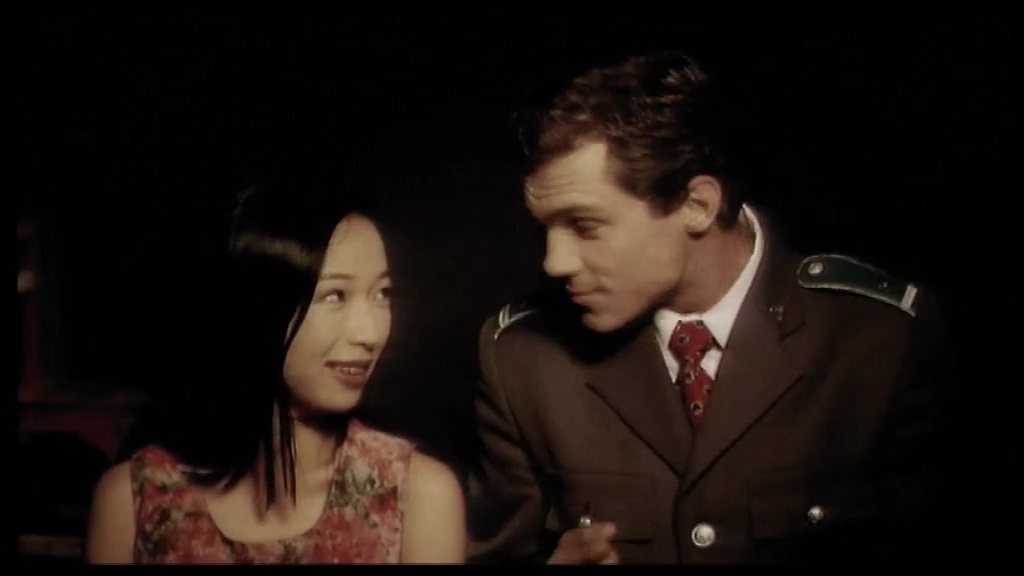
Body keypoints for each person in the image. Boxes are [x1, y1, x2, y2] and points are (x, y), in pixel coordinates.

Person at [467, 51, 954, 564]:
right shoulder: (522, 361)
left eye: (584, 226)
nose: (554, 262)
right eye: (546, 228)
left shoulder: (879, 338)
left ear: (697, 206)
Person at [84, 182, 466, 563]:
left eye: (381, 294)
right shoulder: (134, 501)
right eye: (335, 295)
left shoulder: (418, 499)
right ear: (258, 307)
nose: (370, 334)